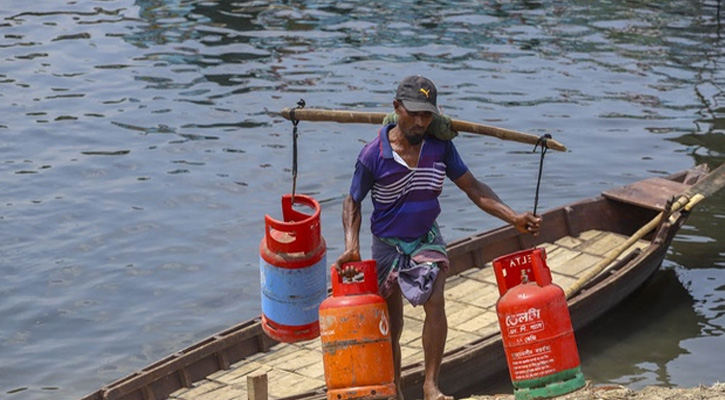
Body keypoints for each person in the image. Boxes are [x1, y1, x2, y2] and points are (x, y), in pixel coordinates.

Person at [333, 75, 542, 400]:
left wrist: (512, 217)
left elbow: (474, 188)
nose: (419, 122)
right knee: (392, 327)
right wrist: (351, 246)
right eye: (413, 114)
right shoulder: (373, 154)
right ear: (396, 108)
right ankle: (397, 390)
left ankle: (431, 385)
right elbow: (352, 202)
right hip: (386, 245)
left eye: (426, 115)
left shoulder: (440, 147)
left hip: (426, 238)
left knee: (435, 299)